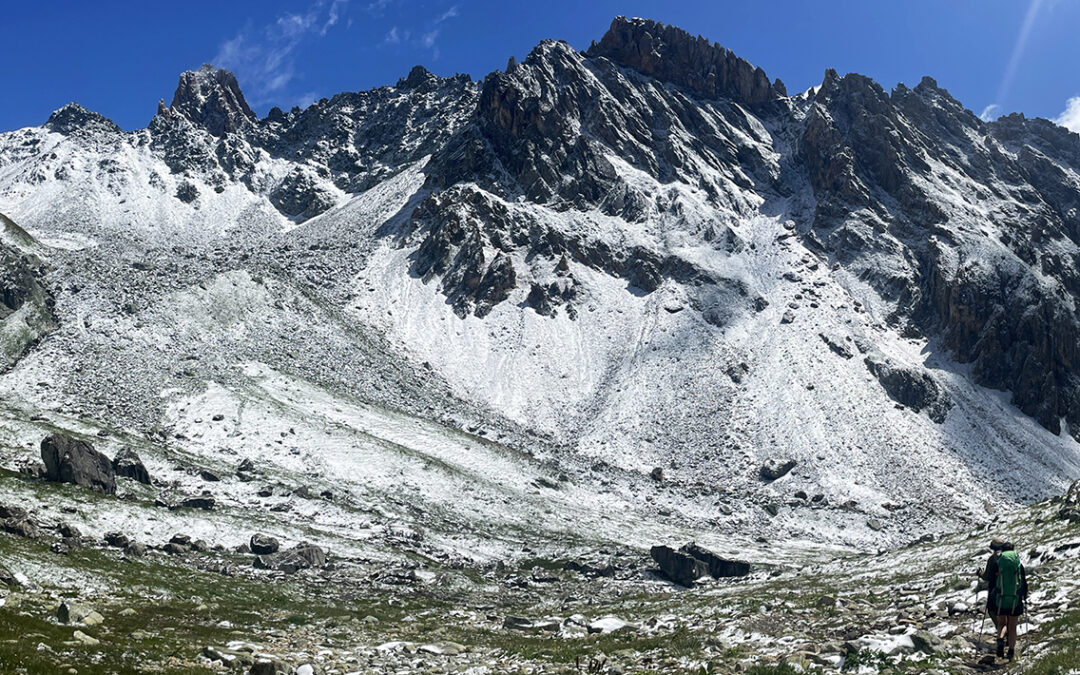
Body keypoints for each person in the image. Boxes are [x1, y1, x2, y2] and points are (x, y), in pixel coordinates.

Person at [981, 539, 1028, 660]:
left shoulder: (996, 562)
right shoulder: (1017, 564)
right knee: (1012, 626)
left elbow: (989, 578)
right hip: (1015, 598)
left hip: (1000, 598)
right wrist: (1024, 596)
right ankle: (1011, 652)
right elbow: (1023, 581)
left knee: (1002, 623)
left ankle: (1000, 639)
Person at [977, 537, 1007, 654]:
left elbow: (987, 576)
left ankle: (1001, 636)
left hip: (995, 590)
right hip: (1009, 590)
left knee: (992, 611)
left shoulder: (992, 559)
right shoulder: (1010, 558)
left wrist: (980, 574)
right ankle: (1008, 636)